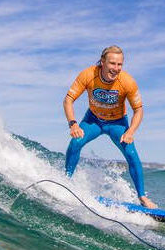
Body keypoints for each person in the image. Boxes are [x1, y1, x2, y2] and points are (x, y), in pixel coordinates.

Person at [63, 45, 157, 208]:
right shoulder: (88, 75)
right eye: (112, 64)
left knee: (131, 152)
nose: (116, 68)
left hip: (117, 123)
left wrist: (131, 131)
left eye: (119, 64)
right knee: (76, 142)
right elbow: (68, 100)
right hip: (93, 120)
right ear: (102, 62)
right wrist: (73, 123)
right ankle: (65, 182)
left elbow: (138, 110)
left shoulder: (127, 82)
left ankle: (142, 197)